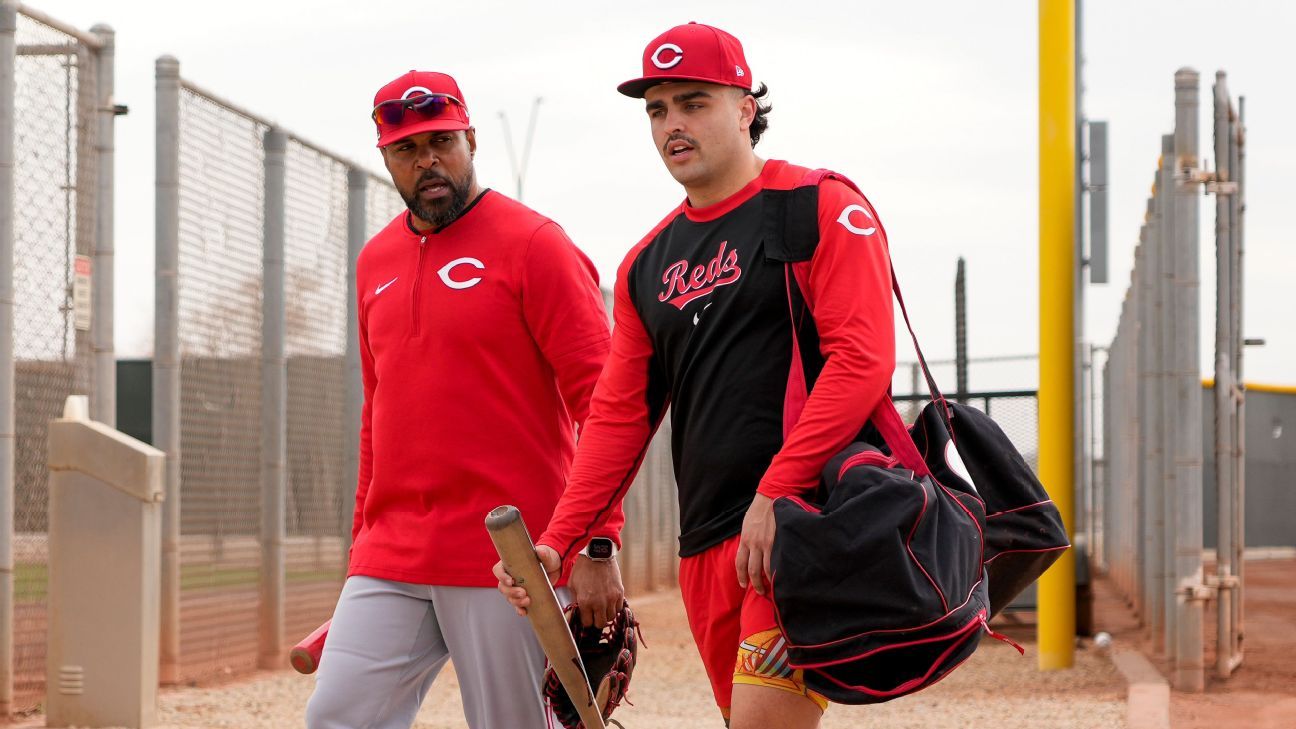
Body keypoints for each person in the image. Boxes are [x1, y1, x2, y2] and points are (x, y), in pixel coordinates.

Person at [495, 22, 897, 729]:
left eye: (693, 102)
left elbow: (862, 359)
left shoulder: (819, 205)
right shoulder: (647, 262)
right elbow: (618, 417)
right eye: (657, 110)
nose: (671, 124)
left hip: (798, 523)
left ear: (745, 108)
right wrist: (558, 542)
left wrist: (777, 489)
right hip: (707, 544)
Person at [306, 70, 624, 729]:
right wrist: (362, 549)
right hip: (392, 553)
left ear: (471, 141)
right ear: (386, 157)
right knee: (337, 717)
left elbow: (604, 405)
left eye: (441, 142)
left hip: (512, 555)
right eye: (406, 149)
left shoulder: (535, 244)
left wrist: (596, 542)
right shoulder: (374, 261)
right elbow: (377, 417)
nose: (427, 161)